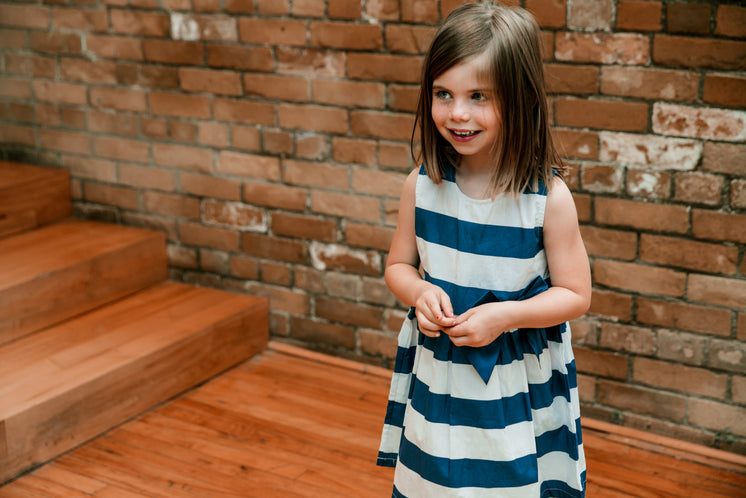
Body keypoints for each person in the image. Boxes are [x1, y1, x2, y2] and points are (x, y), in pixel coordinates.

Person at [376, 2, 591, 497]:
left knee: (509, 483)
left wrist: (505, 316)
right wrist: (419, 294)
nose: (457, 113)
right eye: (443, 93)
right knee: (438, 479)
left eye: (479, 96)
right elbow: (398, 266)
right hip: (441, 374)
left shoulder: (548, 200)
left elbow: (576, 295)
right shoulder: (422, 185)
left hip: (516, 385)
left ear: (520, 100)